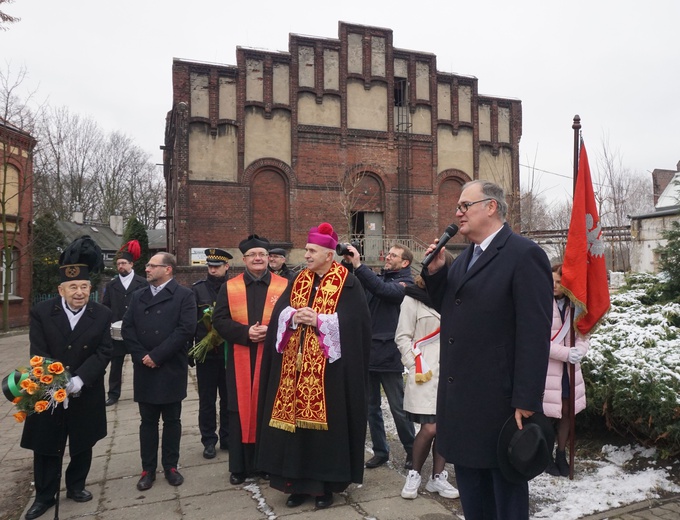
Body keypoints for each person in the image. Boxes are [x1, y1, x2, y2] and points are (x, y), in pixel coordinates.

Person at [422, 179, 552, 520]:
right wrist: (437, 274)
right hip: (462, 400)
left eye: (465, 205)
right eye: (458, 207)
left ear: (491, 207)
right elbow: (454, 311)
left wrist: (526, 398)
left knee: (504, 492)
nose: (458, 213)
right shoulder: (466, 258)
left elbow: (534, 332)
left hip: (499, 404)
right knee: (473, 495)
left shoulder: (524, 255)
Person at [256, 222, 371, 509]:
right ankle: (294, 484)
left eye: (311, 250)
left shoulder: (348, 281)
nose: (305, 255)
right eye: (306, 250)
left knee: (325, 434)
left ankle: (323, 487)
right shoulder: (299, 279)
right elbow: (281, 313)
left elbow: (357, 324)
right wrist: (294, 317)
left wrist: (320, 321)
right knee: (294, 430)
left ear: (329, 254)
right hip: (293, 372)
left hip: (330, 374)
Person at [21, 236, 113, 520]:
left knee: (83, 441)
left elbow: (104, 350)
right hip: (49, 389)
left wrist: (80, 380)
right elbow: (39, 351)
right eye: (72, 286)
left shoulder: (102, 314)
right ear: (61, 289)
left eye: (84, 286)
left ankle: (76, 486)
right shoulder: (41, 313)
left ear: (90, 288)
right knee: (47, 444)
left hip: (86, 388)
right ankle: (44, 496)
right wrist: (58, 381)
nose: (79, 292)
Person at [211, 234, 288, 485]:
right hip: (240, 356)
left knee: (268, 406)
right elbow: (219, 321)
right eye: (253, 255)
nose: (258, 258)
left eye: (263, 255)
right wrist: (246, 333)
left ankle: (267, 463)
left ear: (269, 258)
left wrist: (271, 330)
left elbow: (292, 319)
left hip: (272, 358)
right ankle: (240, 466)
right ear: (244, 259)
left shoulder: (285, 285)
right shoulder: (229, 287)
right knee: (237, 409)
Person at [122, 252, 197, 491]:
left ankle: (171, 466)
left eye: (153, 266)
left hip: (170, 367)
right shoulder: (138, 296)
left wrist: (157, 356)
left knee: (172, 420)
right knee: (148, 421)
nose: (147, 269)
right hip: (144, 367)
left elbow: (185, 330)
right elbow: (127, 328)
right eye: (147, 266)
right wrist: (142, 356)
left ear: (168, 270)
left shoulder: (184, 295)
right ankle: (148, 469)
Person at [342, 242, 416, 470]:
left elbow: (385, 292)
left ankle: (413, 451)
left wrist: (359, 265)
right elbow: (362, 289)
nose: (388, 257)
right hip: (368, 352)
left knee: (398, 408)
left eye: (393, 255)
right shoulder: (379, 279)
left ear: (405, 262)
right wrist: (349, 265)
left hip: (389, 355)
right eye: (388, 253)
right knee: (370, 407)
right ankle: (380, 451)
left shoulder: (406, 283)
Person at [396, 254, 459, 501]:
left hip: (452, 374)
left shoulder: (454, 299)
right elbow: (402, 336)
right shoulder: (412, 298)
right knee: (430, 427)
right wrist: (414, 364)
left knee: (444, 428)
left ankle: (437, 477)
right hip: (426, 374)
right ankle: (414, 473)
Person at [543, 263, 589, 477]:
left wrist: (580, 351)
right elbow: (538, 342)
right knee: (548, 415)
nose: (554, 285)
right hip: (548, 371)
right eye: (551, 280)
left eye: (560, 282)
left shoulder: (575, 307)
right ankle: (546, 456)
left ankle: (561, 453)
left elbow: (583, 336)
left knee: (567, 413)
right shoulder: (540, 304)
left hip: (570, 372)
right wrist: (565, 353)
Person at [191, 248, 233, 459]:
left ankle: (227, 437)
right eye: (210, 266)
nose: (213, 270)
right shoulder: (197, 290)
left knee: (228, 398)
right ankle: (208, 440)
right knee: (206, 400)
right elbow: (191, 322)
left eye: (217, 266)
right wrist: (191, 351)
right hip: (206, 353)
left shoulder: (234, 288)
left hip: (228, 353)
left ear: (227, 267)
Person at [101, 240, 146, 406]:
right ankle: (113, 394)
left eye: (124, 263)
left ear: (131, 264)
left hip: (136, 329)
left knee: (139, 363)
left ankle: (141, 392)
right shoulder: (112, 285)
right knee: (116, 364)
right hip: (116, 330)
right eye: (118, 263)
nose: (121, 266)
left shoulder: (142, 283)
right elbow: (105, 306)